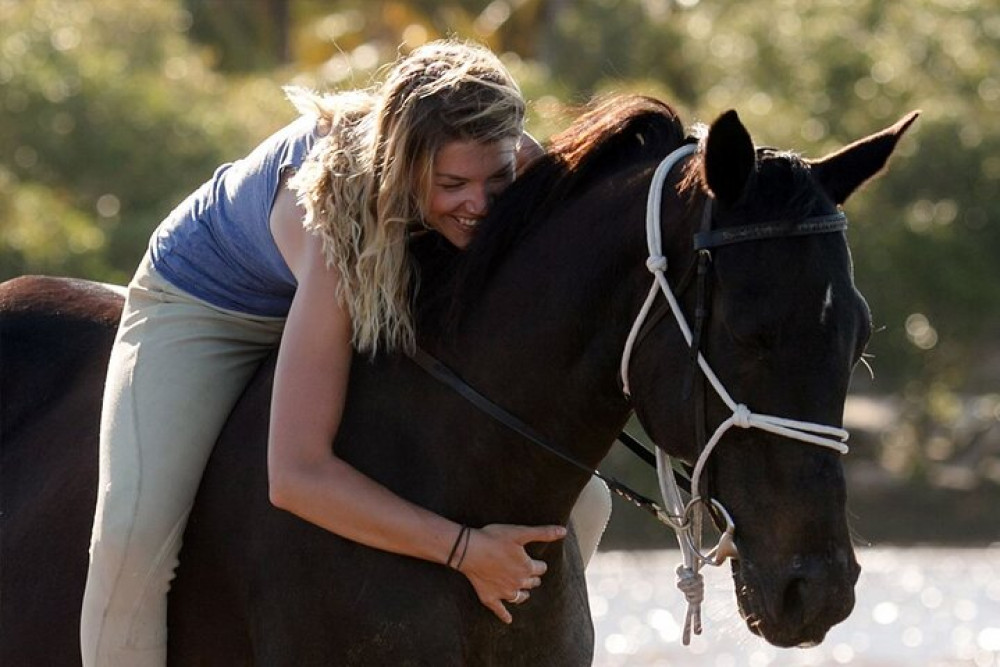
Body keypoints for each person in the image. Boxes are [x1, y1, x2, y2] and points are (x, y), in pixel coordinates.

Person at [80, 39, 611, 666]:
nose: (482, 204)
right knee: (132, 537)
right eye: (452, 184)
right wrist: (464, 550)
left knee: (591, 499)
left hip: (363, 299)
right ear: (402, 167)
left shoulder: (515, 167)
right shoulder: (337, 227)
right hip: (206, 303)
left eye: (496, 178)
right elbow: (297, 476)